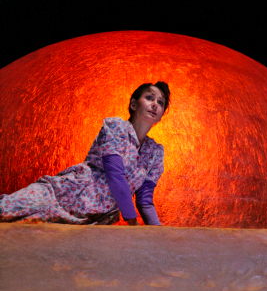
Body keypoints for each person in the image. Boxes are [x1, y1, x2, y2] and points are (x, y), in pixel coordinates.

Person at [0, 81, 170, 226]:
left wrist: (156, 234)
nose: (155, 104)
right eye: (149, 98)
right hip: (63, 194)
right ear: (134, 104)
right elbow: (115, 174)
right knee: (6, 209)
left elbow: (145, 200)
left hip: (91, 219)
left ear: (161, 115)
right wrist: (132, 221)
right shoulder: (116, 126)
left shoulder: (155, 152)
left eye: (161, 103)